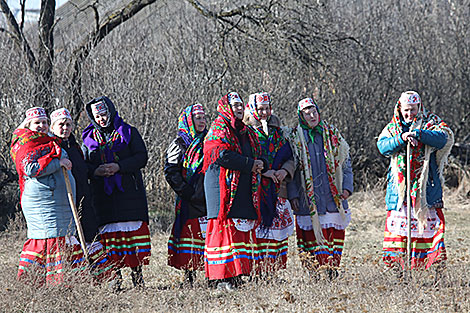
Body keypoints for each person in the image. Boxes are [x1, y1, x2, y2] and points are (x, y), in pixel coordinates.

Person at [377, 91, 453, 272]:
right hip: (401, 191)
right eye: (406, 110)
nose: (409, 114)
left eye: (413, 110)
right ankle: (399, 270)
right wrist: (401, 139)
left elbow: (443, 138)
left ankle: (430, 269)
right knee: (399, 233)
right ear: (400, 109)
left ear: (419, 107)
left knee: (428, 229)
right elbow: (383, 146)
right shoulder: (393, 126)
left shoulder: (431, 122)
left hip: (426, 189)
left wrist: (419, 134)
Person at [10, 107, 85, 285]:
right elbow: (30, 168)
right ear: (29, 125)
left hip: (58, 202)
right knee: (47, 238)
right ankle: (37, 281)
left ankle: (64, 281)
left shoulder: (48, 140)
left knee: (61, 237)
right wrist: (58, 163)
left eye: (44, 122)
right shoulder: (26, 142)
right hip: (43, 203)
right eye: (37, 123)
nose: (42, 126)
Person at [82, 96, 151, 289]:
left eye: (104, 114)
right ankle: (116, 278)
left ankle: (138, 277)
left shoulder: (128, 132)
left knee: (131, 238)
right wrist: (96, 171)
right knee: (110, 238)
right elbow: (83, 165)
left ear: (111, 111)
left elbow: (141, 157)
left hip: (129, 195)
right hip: (103, 197)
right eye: (97, 116)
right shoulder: (87, 139)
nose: (101, 119)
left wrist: (119, 166)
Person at [286, 97, 353, 280]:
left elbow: (345, 162)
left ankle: (331, 269)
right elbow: (292, 168)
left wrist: (347, 187)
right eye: (306, 113)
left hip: (333, 196)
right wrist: (292, 195)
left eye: (314, 111)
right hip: (307, 198)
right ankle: (314, 272)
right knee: (309, 235)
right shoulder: (295, 137)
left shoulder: (332, 134)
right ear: (301, 116)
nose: (312, 115)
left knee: (332, 232)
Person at [203, 92, 264, 290]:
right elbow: (222, 155)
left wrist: (257, 163)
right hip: (221, 188)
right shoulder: (218, 127)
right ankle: (221, 278)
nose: (238, 108)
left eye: (240, 105)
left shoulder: (244, 130)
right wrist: (250, 163)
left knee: (237, 232)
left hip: (240, 188)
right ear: (226, 107)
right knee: (223, 232)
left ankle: (236, 274)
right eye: (234, 105)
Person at [50, 108, 114, 281]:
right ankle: (78, 279)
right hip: (65, 201)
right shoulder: (52, 147)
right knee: (73, 241)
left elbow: (83, 169)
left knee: (91, 235)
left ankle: (104, 277)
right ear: (53, 126)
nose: (65, 128)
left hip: (84, 198)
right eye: (61, 125)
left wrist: (96, 171)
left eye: (68, 124)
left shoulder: (75, 146)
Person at [243, 92, 295, 275]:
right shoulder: (246, 132)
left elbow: (291, 157)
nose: (264, 113)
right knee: (257, 232)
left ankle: (273, 271)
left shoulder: (280, 132)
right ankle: (258, 271)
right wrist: (264, 171)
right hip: (256, 189)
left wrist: (284, 171)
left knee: (276, 233)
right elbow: (245, 159)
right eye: (260, 109)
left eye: (266, 109)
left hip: (278, 187)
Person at [164, 103, 208, 285]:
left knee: (207, 234)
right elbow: (171, 172)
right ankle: (189, 275)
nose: (202, 121)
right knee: (190, 234)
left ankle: (211, 273)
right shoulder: (179, 144)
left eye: (204, 117)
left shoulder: (210, 140)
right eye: (198, 118)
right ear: (189, 120)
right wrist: (187, 192)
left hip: (208, 196)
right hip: (189, 198)